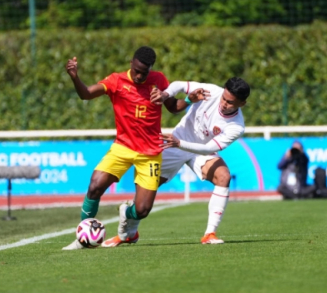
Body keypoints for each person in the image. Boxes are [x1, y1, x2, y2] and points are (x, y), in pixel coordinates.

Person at [62, 46, 187, 250]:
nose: (139, 76)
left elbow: (173, 107)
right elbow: (85, 94)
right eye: (136, 70)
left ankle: (126, 212)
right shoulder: (116, 81)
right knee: (95, 186)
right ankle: (81, 238)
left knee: (143, 210)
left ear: (150, 69)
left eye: (143, 73)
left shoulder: (159, 80)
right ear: (131, 63)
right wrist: (75, 77)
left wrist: (189, 99)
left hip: (150, 154)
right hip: (123, 147)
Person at [102, 77, 250, 246]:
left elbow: (209, 148)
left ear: (242, 104)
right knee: (145, 197)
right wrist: (165, 95)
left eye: (230, 102)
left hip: (197, 150)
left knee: (224, 176)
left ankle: (209, 234)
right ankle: (129, 229)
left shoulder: (236, 126)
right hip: (176, 144)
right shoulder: (211, 91)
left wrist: (180, 144)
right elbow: (179, 85)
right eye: (224, 98)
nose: (224, 103)